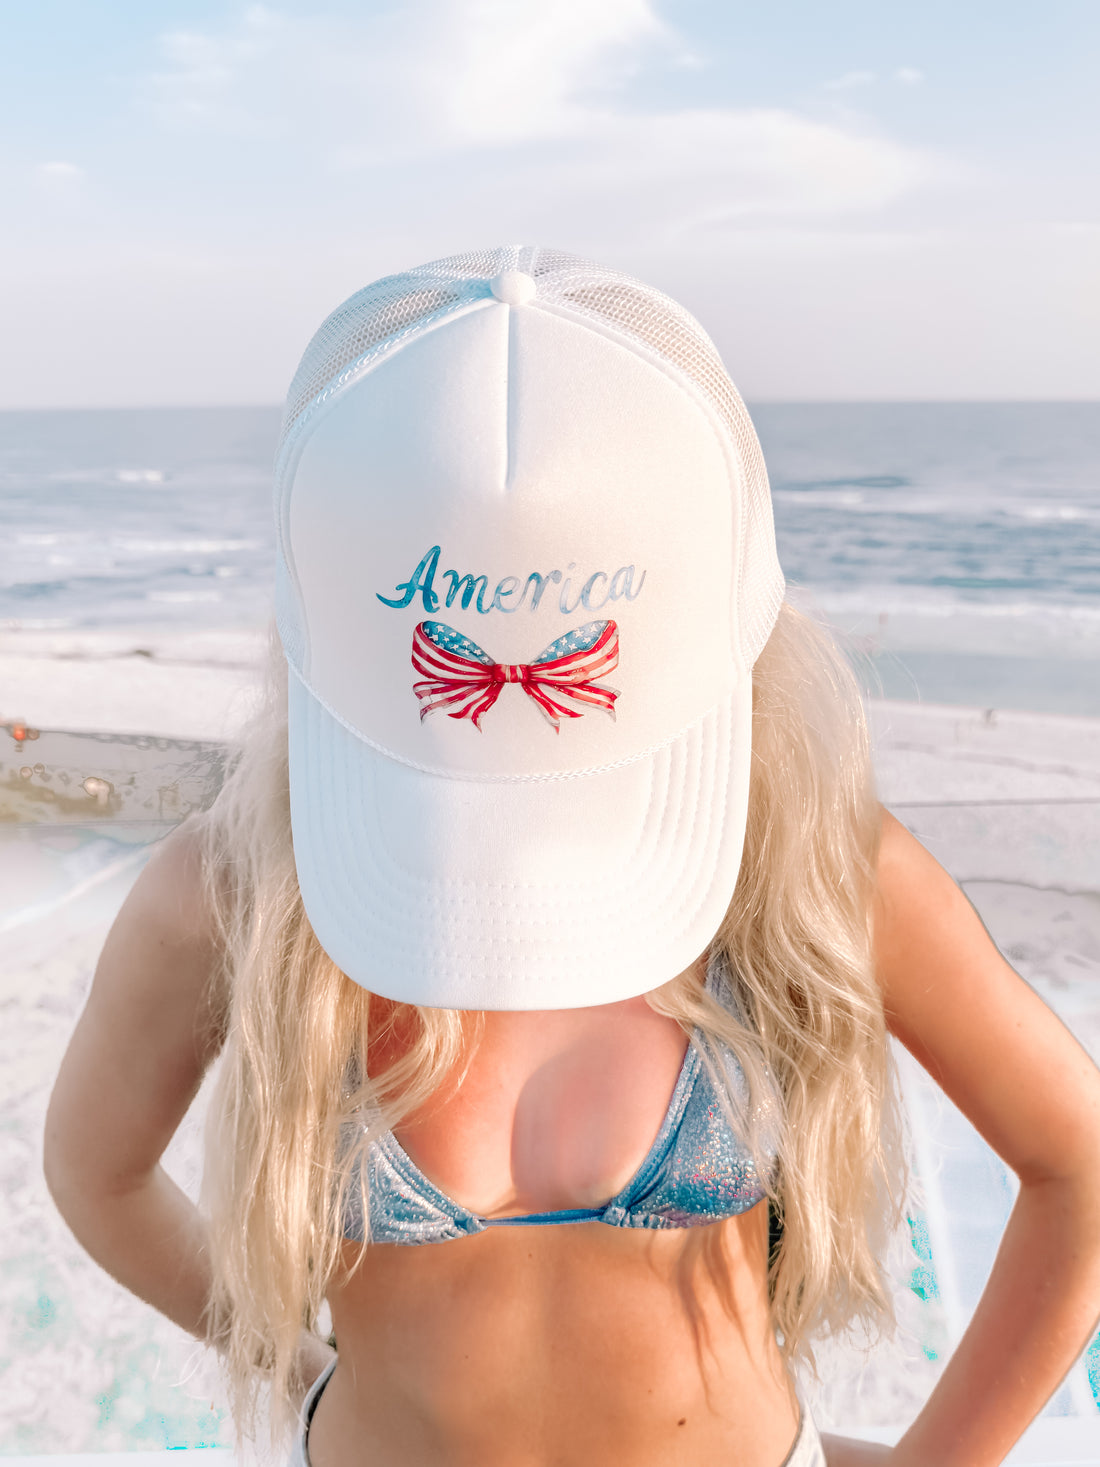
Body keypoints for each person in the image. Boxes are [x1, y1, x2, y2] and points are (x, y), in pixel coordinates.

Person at [45, 247, 1100, 1467]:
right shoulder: (239, 892)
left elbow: (1075, 1167)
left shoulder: (803, 864)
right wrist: (294, 1370)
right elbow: (95, 1174)